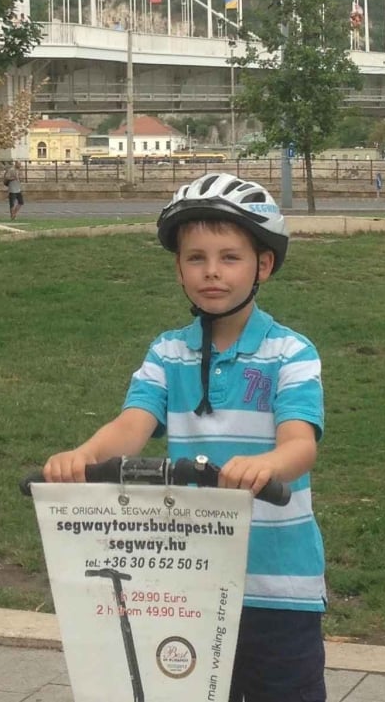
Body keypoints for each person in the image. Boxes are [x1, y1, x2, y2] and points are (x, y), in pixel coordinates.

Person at [42, 174, 326, 702]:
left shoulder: (291, 352)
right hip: (192, 579)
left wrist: (267, 466)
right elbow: (131, 425)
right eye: (196, 258)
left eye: (230, 257)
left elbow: (299, 442)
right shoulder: (168, 352)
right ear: (178, 268)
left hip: (278, 588)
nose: (211, 271)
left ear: (263, 265)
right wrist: (84, 456)